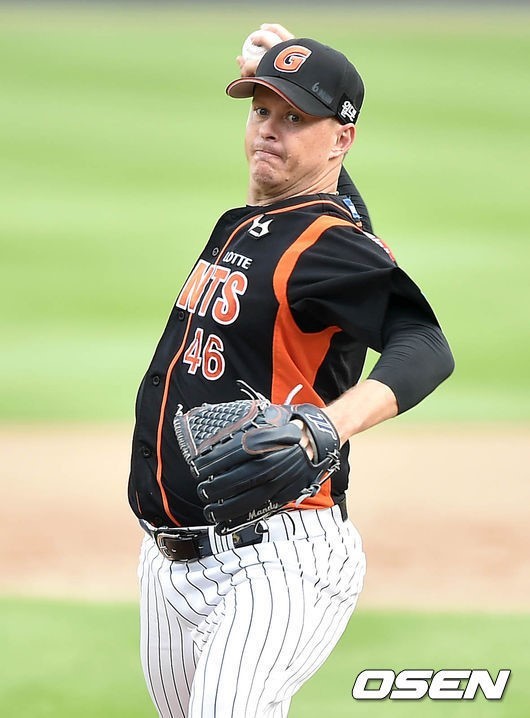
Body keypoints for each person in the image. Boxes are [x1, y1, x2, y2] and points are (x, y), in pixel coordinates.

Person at [128, 31, 454, 718]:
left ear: (342, 140)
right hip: (169, 562)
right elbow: (331, 201)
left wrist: (326, 428)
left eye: (295, 118)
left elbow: (425, 342)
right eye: (262, 111)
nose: (269, 131)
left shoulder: (328, 246)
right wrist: (282, 81)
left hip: (276, 558)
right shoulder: (255, 222)